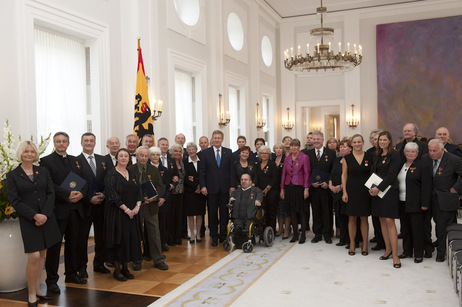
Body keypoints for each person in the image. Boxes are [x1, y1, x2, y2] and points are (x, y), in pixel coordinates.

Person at [6, 141, 61, 306]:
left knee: (43, 254)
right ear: (21, 154)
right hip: (29, 220)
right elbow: (15, 201)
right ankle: (31, 292)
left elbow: (51, 193)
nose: (29, 154)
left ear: (35, 154)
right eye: (26, 151)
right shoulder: (13, 175)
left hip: (46, 217)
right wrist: (35, 215)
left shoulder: (42, 171)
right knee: (34, 256)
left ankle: (37, 289)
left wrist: (44, 214)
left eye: (32, 151)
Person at [40, 132, 87, 292]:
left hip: (76, 209)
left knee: (73, 244)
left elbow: (84, 180)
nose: (61, 144)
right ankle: (51, 280)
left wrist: (81, 194)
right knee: (54, 247)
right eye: (58, 141)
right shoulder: (45, 161)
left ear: (68, 143)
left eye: (64, 141)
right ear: (54, 143)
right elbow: (48, 185)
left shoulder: (76, 160)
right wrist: (67, 195)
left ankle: (71, 274)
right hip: (58, 210)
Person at [104, 148, 143, 281]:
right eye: (120, 156)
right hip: (117, 213)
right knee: (118, 240)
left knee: (129, 240)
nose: (123, 158)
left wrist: (137, 206)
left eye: (125, 156)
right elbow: (112, 194)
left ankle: (126, 268)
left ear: (129, 158)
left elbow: (139, 191)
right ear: (116, 158)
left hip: (132, 213)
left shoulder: (132, 174)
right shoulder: (111, 174)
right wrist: (126, 209)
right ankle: (117, 270)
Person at [128, 146, 168, 270]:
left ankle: (158, 259)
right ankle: (137, 260)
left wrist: (154, 198)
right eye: (141, 155)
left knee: (154, 233)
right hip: (135, 207)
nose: (144, 158)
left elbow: (160, 186)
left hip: (151, 206)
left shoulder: (153, 169)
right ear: (137, 156)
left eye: (146, 156)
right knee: (136, 234)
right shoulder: (130, 169)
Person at [422, 139, 462, 262]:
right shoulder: (425, 158)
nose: (432, 153)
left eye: (435, 151)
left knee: (442, 227)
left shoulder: (454, 160)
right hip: (427, 198)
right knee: (425, 225)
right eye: (430, 150)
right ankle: (428, 250)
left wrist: (455, 188)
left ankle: (441, 253)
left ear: (442, 149)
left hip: (445, 198)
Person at [76, 132, 109, 278]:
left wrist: (105, 194)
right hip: (85, 206)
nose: (89, 143)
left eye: (91, 141)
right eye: (86, 141)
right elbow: (75, 185)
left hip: (102, 205)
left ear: (95, 143)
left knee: (101, 236)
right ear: (82, 143)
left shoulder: (103, 160)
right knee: (82, 238)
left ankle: (99, 263)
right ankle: (81, 267)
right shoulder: (75, 161)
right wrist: (89, 198)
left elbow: (110, 180)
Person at [369, 131, 401, 268]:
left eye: (384, 140)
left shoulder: (395, 154)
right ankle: (387, 249)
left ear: (389, 141)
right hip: (377, 192)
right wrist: (371, 187)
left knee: (389, 220)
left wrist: (379, 188)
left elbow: (391, 175)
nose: (381, 142)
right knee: (381, 219)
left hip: (389, 191)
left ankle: (395, 254)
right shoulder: (376, 155)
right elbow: (373, 173)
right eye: (379, 140)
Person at [397, 142, 432, 263]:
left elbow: (426, 186)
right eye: (408, 151)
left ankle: (418, 253)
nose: (410, 154)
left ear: (417, 153)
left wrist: (425, 203)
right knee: (405, 228)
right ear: (404, 153)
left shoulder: (423, 165)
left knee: (417, 229)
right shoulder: (401, 165)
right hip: (402, 201)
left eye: (413, 152)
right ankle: (407, 251)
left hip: (416, 203)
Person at [199, 130, 234, 247]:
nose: (217, 140)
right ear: (212, 139)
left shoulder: (228, 152)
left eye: (219, 138)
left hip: (225, 189)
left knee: (224, 213)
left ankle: (223, 235)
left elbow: (231, 171)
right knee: (212, 213)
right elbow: (202, 171)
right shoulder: (205, 153)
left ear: (222, 139)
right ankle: (214, 235)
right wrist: (203, 186)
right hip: (211, 188)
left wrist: (232, 185)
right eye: (215, 138)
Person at [341, 134, 371, 256]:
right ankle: (352, 244)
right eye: (355, 142)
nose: (357, 144)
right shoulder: (346, 158)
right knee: (352, 217)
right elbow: (344, 175)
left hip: (365, 191)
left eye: (359, 142)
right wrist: (344, 191)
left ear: (363, 142)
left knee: (364, 218)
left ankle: (364, 244)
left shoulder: (370, 156)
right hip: (351, 190)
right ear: (351, 144)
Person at [306, 132, 336, 244]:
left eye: (318, 139)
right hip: (314, 188)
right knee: (316, 211)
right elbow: (306, 171)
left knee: (327, 211)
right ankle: (317, 234)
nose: (316, 141)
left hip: (326, 188)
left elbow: (334, 170)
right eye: (314, 139)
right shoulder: (307, 154)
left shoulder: (331, 153)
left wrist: (329, 183)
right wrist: (310, 182)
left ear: (323, 140)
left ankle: (327, 234)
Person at [280, 139, 310, 244]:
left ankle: (303, 235)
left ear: (299, 147)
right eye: (292, 146)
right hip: (289, 187)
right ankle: (295, 234)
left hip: (300, 187)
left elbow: (307, 173)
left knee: (301, 211)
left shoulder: (304, 157)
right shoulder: (287, 158)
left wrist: (306, 188)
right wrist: (282, 188)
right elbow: (284, 174)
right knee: (292, 211)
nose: (293, 148)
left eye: (295, 146)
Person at [149, 147, 173, 252]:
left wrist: (163, 199)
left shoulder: (165, 170)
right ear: (149, 156)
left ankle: (162, 244)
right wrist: (153, 199)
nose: (155, 157)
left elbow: (168, 187)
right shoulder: (146, 169)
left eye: (157, 155)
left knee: (162, 225)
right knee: (151, 227)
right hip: (150, 202)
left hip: (162, 202)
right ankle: (150, 248)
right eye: (153, 154)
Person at [329, 138, 351, 247]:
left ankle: (351, 239)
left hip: (347, 191)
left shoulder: (352, 160)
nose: (342, 148)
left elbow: (350, 177)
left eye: (345, 147)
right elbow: (331, 174)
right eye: (341, 147)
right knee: (339, 216)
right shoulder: (337, 160)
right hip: (335, 192)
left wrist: (341, 186)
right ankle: (343, 238)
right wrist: (330, 185)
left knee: (348, 217)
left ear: (350, 149)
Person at [365, 129, 385, 251]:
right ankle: (378, 238)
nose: (375, 140)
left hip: (385, 187)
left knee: (384, 216)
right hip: (372, 186)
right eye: (373, 138)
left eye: (378, 138)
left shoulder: (388, 153)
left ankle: (384, 239)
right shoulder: (369, 152)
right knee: (375, 215)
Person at [184, 142, 207, 243]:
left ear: (196, 150)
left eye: (193, 149)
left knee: (199, 214)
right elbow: (185, 178)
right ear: (187, 151)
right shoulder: (184, 162)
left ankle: (198, 234)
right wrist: (195, 187)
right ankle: (192, 234)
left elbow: (205, 174)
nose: (191, 151)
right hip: (190, 192)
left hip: (201, 191)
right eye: (189, 149)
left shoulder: (202, 161)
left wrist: (200, 187)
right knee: (190, 214)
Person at [254, 146, 278, 232]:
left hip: (271, 191)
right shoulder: (256, 165)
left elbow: (274, 178)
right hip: (259, 192)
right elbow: (255, 177)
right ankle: (262, 230)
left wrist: (267, 189)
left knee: (271, 212)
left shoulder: (272, 164)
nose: (264, 155)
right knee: (262, 211)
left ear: (269, 155)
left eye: (266, 153)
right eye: (262, 153)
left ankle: (272, 230)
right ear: (259, 154)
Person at [168, 144, 185, 245]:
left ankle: (178, 237)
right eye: (176, 151)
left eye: (179, 151)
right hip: (172, 192)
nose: (178, 153)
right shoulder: (169, 162)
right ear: (172, 152)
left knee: (179, 216)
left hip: (181, 192)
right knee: (171, 216)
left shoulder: (182, 162)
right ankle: (171, 238)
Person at [273, 142, 290, 238]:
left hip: (285, 187)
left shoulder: (286, 159)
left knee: (286, 210)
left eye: (280, 148)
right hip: (275, 188)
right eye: (276, 148)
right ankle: (280, 229)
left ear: (283, 149)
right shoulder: (273, 159)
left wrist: (283, 188)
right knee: (278, 210)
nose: (278, 150)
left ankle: (287, 229)